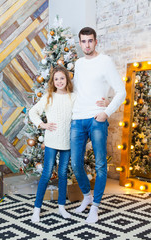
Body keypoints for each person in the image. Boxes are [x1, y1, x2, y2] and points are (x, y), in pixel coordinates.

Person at [71, 27, 126, 224]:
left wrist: (106, 111)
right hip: (77, 118)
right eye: (83, 41)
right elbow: (78, 90)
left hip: (96, 118)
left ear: (96, 42)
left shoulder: (105, 62)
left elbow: (121, 91)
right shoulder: (78, 63)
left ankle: (95, 207)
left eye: (90, 41)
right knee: (76, 162)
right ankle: (87, 196)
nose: (87, 45)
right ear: (80, 43)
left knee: (101, 164)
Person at [29, 66, 76, 222]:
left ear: (67, 80)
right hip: (51, 141)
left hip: (67, 142)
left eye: (62, 78)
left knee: (63, 174)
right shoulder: (49, 96)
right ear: (53, 81)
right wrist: (42, 124)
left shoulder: (73, 97)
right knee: (47, 174)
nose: (59, 81)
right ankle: (37, 208)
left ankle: (61, 207)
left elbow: (82, 112)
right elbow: (32, 112)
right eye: (56, 79)